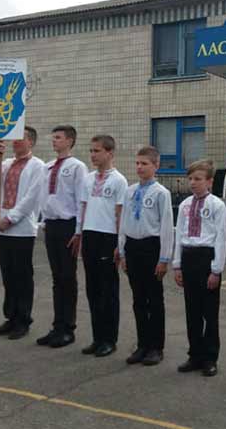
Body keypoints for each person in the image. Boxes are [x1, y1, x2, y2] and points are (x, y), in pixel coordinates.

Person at [0, 127, 46, 340]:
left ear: (31, 142)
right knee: (8, 275)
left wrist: (11, 218)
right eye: (14, 138)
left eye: (21, 138)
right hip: (2, 227)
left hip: (21, 228)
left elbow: (31, 198)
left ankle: (23, 319)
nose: (16, 142)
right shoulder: (7, 163)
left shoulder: (38, 166)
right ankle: (10, 317)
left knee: (22, 276)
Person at [69, 135, 127, 357]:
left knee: (107, 290)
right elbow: (82, 207)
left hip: (108, 237)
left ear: (109, 153)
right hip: (90, 235)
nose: (93, 155)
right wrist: (79, 233)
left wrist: (120, 244)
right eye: (91, 151)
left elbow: (120, 214)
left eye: (97, 151)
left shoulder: (119, 181)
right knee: (92, 289)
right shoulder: (88, 179)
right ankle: (97, 337)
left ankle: (109, 339)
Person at [118, 146, 174, 366]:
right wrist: (122, 250)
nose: (140, 167)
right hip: (133, 247)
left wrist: (164, 258)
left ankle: (156, 347)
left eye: (145, 164)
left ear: (156, 166)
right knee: (138, 299)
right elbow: (124, 222)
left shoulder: (161, 193)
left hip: (151, 247)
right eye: (138, 163)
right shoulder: (130, 191)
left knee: (154, 299)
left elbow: (167, 226)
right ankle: (142, 344)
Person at [173, 159, 226, 377]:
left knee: (209, 312)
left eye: (198, 179)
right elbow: (179, 235)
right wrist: (177, 265)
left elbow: (220, 238)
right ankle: (194, 354)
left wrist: (216, 270)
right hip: (188, 257)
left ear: (209, 181)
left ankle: (210, 357)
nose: (193, 183)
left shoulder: (217, 205)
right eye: (190, 179)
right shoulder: (185, 205)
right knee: (192, 311)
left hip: (207, 258)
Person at [37, 125, 88, 348]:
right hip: (52, 224)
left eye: (58, 137)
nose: (54, 141)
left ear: (69, 141)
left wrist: (78, 230)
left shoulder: (77, 167)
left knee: (67, 276)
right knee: (57, 277)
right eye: (53, 137)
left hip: (68, 225)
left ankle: (68, 328)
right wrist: (44, 220)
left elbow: (80, 199)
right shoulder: (48, 166)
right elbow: (44, 196)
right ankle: (57, 326)